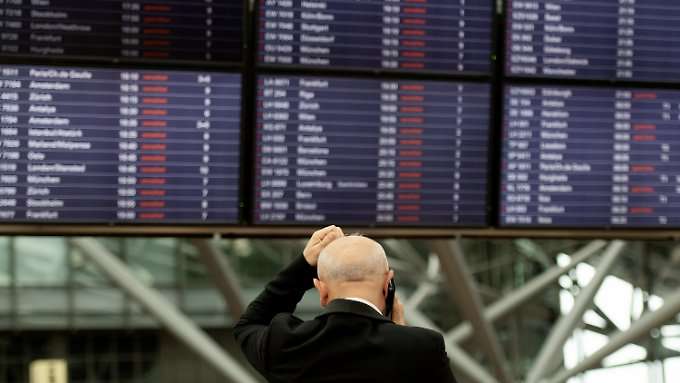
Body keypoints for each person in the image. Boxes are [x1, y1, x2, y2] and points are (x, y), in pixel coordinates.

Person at [234, 225, 458, 383]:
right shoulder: (422, 347)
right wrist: (403, 338)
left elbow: (250, 323)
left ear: (321, 290)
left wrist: (303, 266)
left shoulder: (288, 344)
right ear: (387, 284)